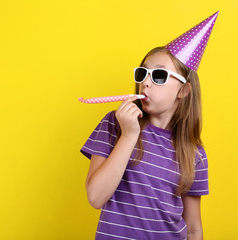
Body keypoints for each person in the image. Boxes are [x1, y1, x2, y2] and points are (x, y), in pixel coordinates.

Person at [80, 11, 219, 240]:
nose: (145, 82)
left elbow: (193, 228)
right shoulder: (114, 125)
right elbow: (95, 197)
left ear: (183, 90)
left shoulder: (194, 154)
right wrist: (128, 136)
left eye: (159, 75)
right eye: (143, 72)